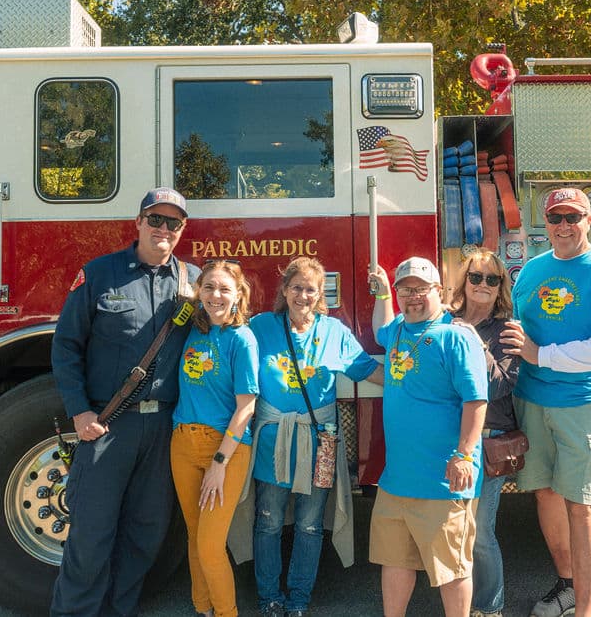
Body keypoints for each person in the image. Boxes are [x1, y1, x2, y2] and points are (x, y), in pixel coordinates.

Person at [50, 186, 200, 617]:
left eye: (173, 222)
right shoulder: (99, 274)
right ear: (138, 223)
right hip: (108, 427)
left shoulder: (191, 281)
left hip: (164, 429)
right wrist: (79, 411)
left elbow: (225, 331)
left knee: (146, 533)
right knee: (91, 535)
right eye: (155, 219)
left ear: (182, 229)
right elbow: (65, 347)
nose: (163, 229)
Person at [505, 188, 591, 617]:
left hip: (584, 402)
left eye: (573, 217)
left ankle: (586, 611)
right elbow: (515, 329)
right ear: (545, 222)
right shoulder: (531, 270)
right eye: (555, 217)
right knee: (544, 493)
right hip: (531, 399)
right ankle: (566, 585)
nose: (564, 226)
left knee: (582, 505)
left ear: (589, 220)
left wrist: (542, 356)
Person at [231, 257, 385, 617]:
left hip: (321, 442)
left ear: (320, 296)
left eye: (310, 290)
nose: (303, 295)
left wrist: (419, 383)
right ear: (284, 290)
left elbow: (370, 371)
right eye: (296, 287)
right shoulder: (260, 327)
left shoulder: (334, 332)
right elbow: (228, 354)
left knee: (310, 523)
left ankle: (299, 599)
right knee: (267, 520)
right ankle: (269, 597)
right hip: (273, 441)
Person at [366, 256, 488, 617]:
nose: (413, 297)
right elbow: (379, 329)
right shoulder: (399, 330)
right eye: (406, 290)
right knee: (395, 561)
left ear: (440, 291)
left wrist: (465, 455)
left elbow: (476, 400)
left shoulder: (456, 335)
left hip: (443, 480)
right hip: (397, 480)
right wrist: (384, 295)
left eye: (421, 289)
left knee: (452, 569)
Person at [171, 259, 259, 617]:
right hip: (182, 443)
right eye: (208, 287)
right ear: (199, 293)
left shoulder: (243, 339)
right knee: (195, 538)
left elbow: (246, 408)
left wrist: (220, 464)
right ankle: (202, 608)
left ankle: (226, 612)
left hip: (225, 450)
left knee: (210, 545)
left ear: (238, 294)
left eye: (224, 288)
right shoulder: (192, 330)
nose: (216, 295)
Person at [447, 249, 521, 617]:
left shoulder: (507, 331)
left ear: (500, 288)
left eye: (492, 279)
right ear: (464, 281)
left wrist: (474, 339)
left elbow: (499, 386)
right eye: (475, 277)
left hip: (488, 442)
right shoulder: (443, 321)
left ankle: (490, 608)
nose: (482, 285)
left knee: (478, 534)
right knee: (451, 530)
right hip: (449, 439)